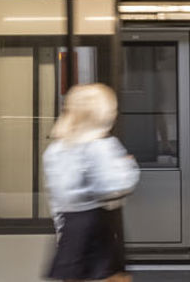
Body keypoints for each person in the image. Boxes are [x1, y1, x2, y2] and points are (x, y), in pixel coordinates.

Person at [43, 83, 139, 282]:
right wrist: (127, 168)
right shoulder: (101, 146)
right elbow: (111, 187)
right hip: (98, 227)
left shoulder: (56, 149)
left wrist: (62, 228)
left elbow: (57, 197)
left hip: (70, 227)